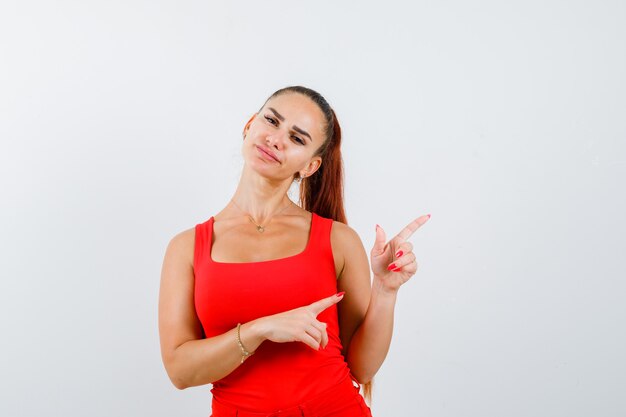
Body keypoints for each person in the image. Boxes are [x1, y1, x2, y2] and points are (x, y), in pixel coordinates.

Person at [158, 85, 430, 416]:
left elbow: (362, 369)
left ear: (310, 167)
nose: (276, 139)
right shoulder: (186, 248)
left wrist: (385, 290)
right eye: (271, 121)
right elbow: (180, 372)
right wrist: (259, 330)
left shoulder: (338, 240)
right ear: (249, 126)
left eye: (297, 138)